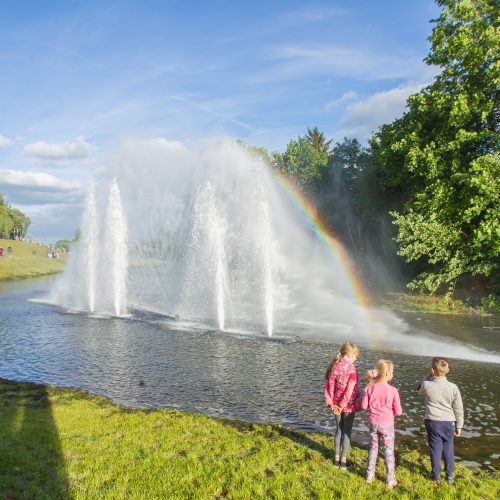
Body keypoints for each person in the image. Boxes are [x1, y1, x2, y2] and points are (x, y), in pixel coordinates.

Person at [418, 357, 463, 487]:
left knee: (435, 448)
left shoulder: (427, 385)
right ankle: (449, 476)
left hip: (433, 422)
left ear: (432, 370)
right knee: (448, 448)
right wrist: (459, 425)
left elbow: (420, 390)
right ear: (447, 370)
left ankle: (435, 476)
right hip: (449, 422)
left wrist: (427, 376)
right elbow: (458, 408)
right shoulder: (453, 387)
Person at [361, 359, 402, 489]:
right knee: (389, 451)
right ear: (387, 374)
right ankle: (390, 480)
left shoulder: (370, 388)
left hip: (373, 423)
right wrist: (392, 412)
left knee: (373, 447)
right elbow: (399, 411)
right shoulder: (393, 390)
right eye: (392, 373)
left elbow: (363, 406)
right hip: (387, 425)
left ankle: (369, 475)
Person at [324, 342, 361, 469]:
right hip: (348, 406)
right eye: (356, 356)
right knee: (347, 432)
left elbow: (328, 388)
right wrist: (342, 405)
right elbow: (349, 390)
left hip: (335, 405)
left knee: (338, 430)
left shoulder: (334, 367)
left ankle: (336, 460)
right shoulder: (352, 370)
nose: (356, 358)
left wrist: (332, 404)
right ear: (350, 354)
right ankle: (344, 463)